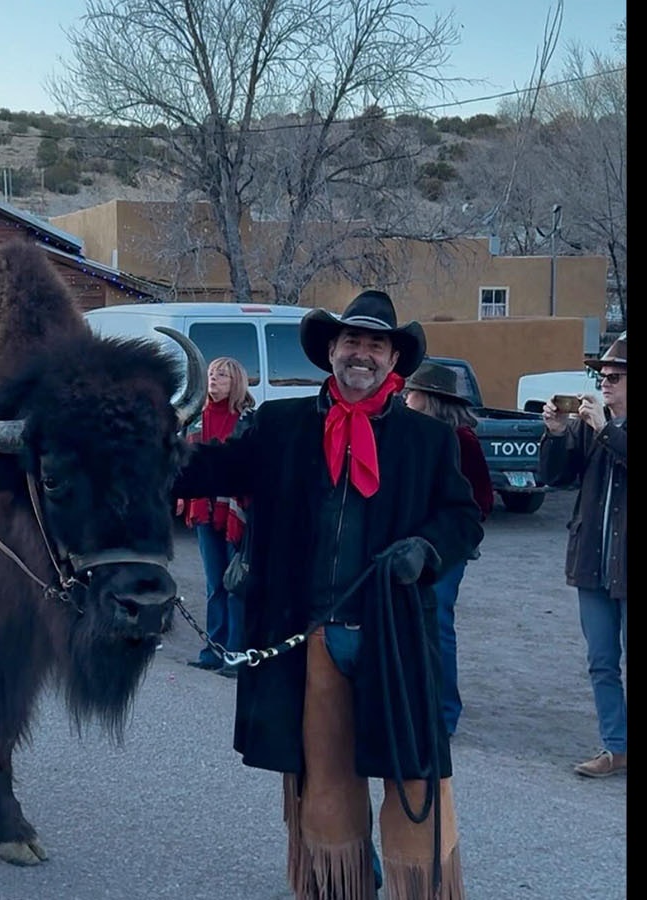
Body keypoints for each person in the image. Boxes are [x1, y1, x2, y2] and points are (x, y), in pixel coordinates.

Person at [172, 289, 483, 899]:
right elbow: (212, 468)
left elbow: (463, 517)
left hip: (392, 637)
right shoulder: (284, 426)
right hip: (309, 635)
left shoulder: (426, 439)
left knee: (415, 781)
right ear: (331, 352)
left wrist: (425, 550)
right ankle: (341, 887)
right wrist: (143, 445)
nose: (361, 354)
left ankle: (422, 889)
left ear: (393, 360)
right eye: (351, 341)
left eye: (374, 344)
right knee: (327, 785)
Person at [537, 332, 627, 779]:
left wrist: (607, 431)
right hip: (592, 562)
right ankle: (616, 747)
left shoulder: (603, 429)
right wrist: (554, 434)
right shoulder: (591, 427)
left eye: (614, 376)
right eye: (602, 376)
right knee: (602, 661)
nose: (604, 383)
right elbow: (553, 477)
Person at [402, 361, 494, 738]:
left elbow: (481, 500)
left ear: (429, 399)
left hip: (447, 549)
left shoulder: (460, 440)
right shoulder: (416, 436)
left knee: (437, 624)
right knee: (412, 624)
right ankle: (418, 704)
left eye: (411, 393)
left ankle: (444, 713)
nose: (405, 398)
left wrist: (448, 531)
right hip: (412, 544)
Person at [180, 357, 256, 679]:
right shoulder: (196, 419)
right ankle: (213, 649)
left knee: (235, 583)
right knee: (214, 584)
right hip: (203, 510)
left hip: (235, 512)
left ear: (236, 381)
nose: (214, 379)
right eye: (211, 374)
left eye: (222, 375)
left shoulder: (247, 420)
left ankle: (236, 653)